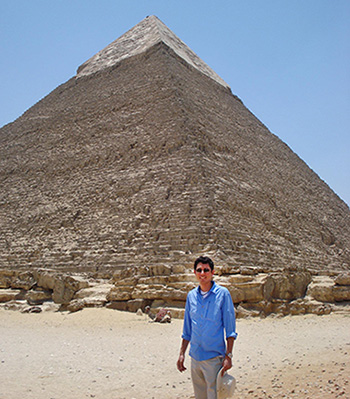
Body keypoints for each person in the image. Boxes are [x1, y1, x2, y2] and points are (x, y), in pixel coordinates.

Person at [177, 256, 237, 399]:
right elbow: (187, 329)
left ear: (212, 272)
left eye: (206, 270)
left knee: (215, 396)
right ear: (194, 272)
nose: (202, 273)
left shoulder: (223, 295)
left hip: (214, 359)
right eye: (199, 270)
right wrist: (181, 353)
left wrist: (228, 356)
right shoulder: (191, 296)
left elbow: (230, 329)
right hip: (195, 357)